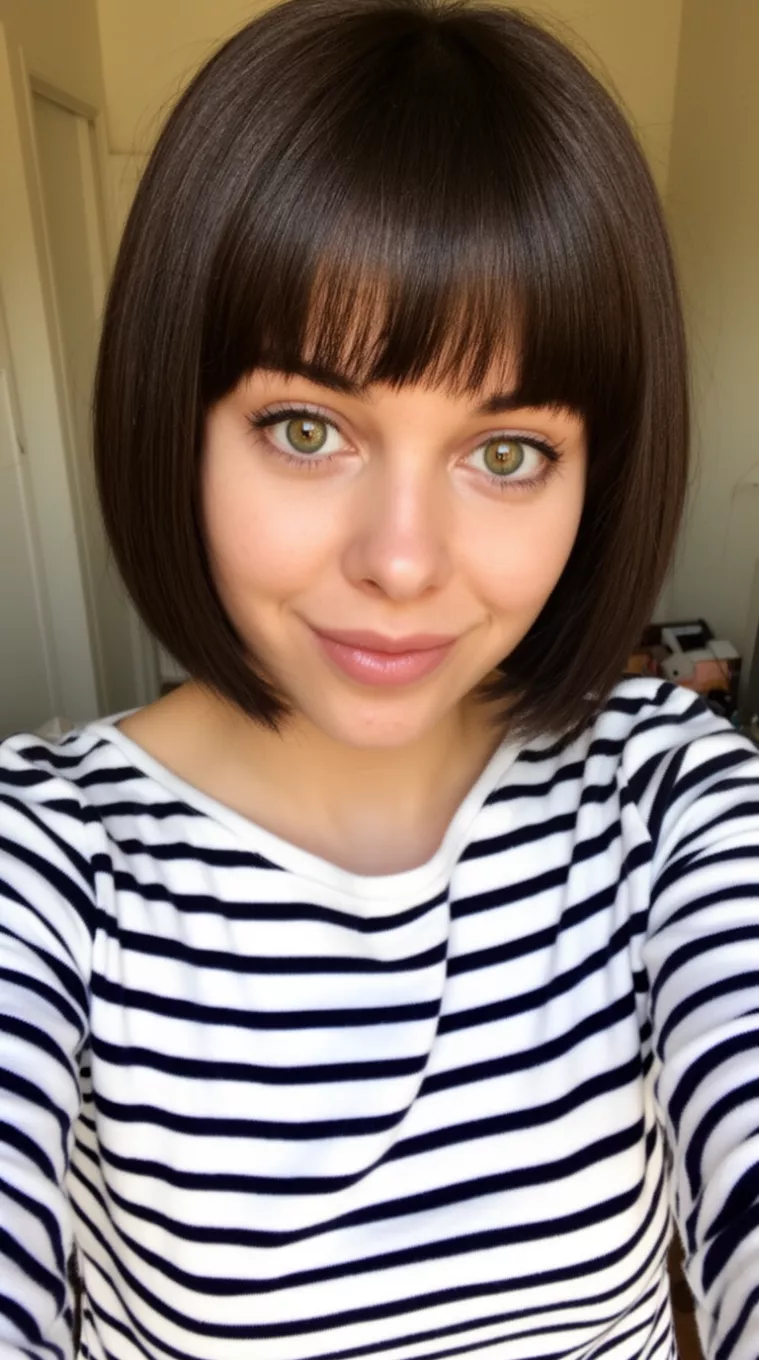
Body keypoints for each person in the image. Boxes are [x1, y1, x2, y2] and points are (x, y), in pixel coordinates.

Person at [1, 0, 758, 1355]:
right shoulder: (48, 867)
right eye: (307, 428)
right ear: (174, 421)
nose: (402, 563)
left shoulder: (666, 802)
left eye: (507, 452)